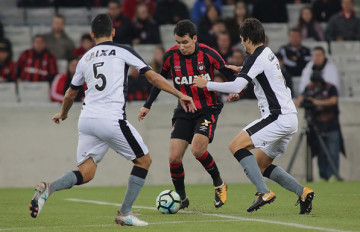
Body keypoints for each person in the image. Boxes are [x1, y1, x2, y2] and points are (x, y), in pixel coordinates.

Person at [28, 14, 196, 227]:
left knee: (86, 173)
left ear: (92, 35)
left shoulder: (85, 58)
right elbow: (151, 76)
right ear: (113, 32)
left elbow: (71, 94)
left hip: (87, 120)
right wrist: (179, 94)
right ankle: (124, 213)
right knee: (144, 161)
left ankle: (48, 188)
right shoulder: (122, 50)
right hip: (110, 119)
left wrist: (63, 113)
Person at [193, 18, 315, 214]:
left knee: (235, 145)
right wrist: (241, 70)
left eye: (242, 40)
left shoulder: (254, 57)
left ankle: (263, 192)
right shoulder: (267, 53)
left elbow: (236, 86)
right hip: (289, 117)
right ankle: (303, 192)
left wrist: (206, 84)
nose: (242, 44)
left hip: (278, 116)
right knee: (261, 165)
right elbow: (260, 75)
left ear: (248, 39)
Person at [138, 20, 234, 209]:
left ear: (195, 38)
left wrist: (235, 91)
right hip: (184, 110)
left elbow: (229, 75)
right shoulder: (170, 56)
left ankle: (219, 183)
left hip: (208, 109)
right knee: (174, 158)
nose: (181, 47)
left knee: (197, 150)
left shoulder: (209, 53)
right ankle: (182, 199)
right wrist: (147, 105)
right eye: (178, 42)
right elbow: (159, 81)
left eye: (185, 42)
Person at [295, 72, 343, 182]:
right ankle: (323, 176)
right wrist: (304, 100)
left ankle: (333, 175)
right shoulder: (309, 88)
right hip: (317, 126)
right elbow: (299, 101)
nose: (315, 84)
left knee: (332, 151)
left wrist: (316, 102)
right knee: (320, 152)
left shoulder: (330, 87)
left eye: (317, 82)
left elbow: (334, 101)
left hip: (331, 125)